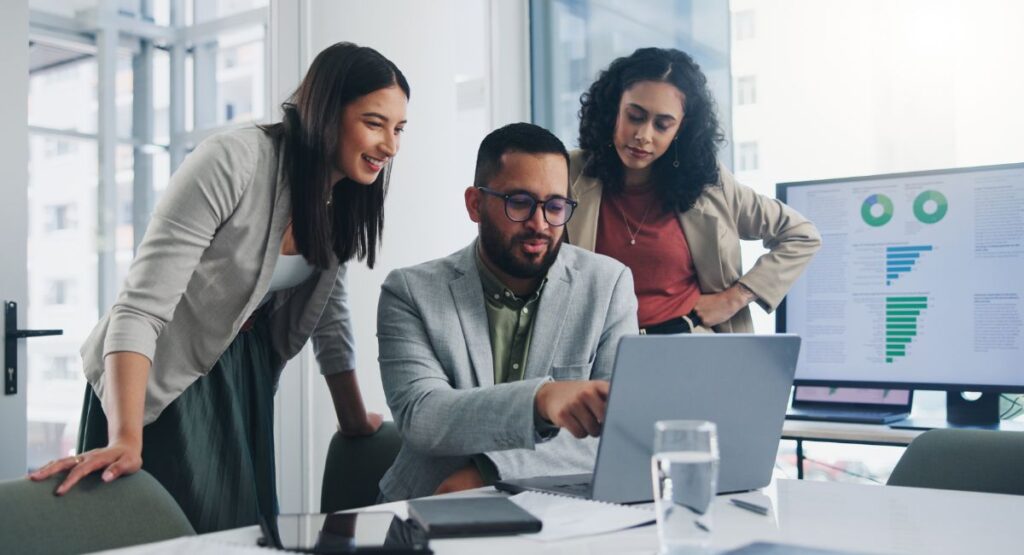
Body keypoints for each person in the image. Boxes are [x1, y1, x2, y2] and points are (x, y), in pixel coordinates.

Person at [28, 42, 410, 533]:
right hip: (159, 374)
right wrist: (126, 436)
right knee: (184, 533)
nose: (391, 146)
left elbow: (326, 310)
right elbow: (139, 307)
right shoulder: (235, 160)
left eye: (399, 129)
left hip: (240, 374)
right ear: (325, 113)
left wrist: (353, 418)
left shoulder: (341, 196)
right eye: (375, 123)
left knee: (242, 532)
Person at [376, 123, 638, 501]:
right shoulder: (410, 292)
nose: (540, 224)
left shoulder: (608, 285)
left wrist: (487, 471)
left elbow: (619, 428)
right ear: (475, 204)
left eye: (555, 206)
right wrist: (541, 400)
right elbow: (424, 417)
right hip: (427, 504)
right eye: (519, 202)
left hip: (561, 510)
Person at [567, 47, 821, 334]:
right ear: (613, 109)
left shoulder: (709, 183)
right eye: (635, 116)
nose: (643, 136)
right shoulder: (567, 173)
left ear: (681, 130)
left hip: (692, 347)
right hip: (598, 353)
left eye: (662, 125)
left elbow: (801, 235)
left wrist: (735, 297)